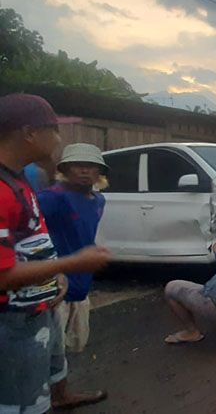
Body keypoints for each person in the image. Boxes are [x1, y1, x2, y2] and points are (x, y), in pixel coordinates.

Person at [0, 94, 110, 414]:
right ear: (30, 133)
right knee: (22, 400)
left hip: (39, 303)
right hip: (13, 319)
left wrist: (55, 271)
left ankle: (60, 396)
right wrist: (73, 263)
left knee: (50, 366)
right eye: (55, 130)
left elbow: (29, 240)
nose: (59, 139)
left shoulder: (20, 178)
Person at [38, 143, 108, 354]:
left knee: (73, 345)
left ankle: (64, 388)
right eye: (78, 165)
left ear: (100, 172)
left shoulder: (98, 200)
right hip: (55, 284)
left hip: (81, 283)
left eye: (91, 166)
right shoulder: (51, 198)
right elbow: (32, 235)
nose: (85, 171)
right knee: (49, 349)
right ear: (66, 170)